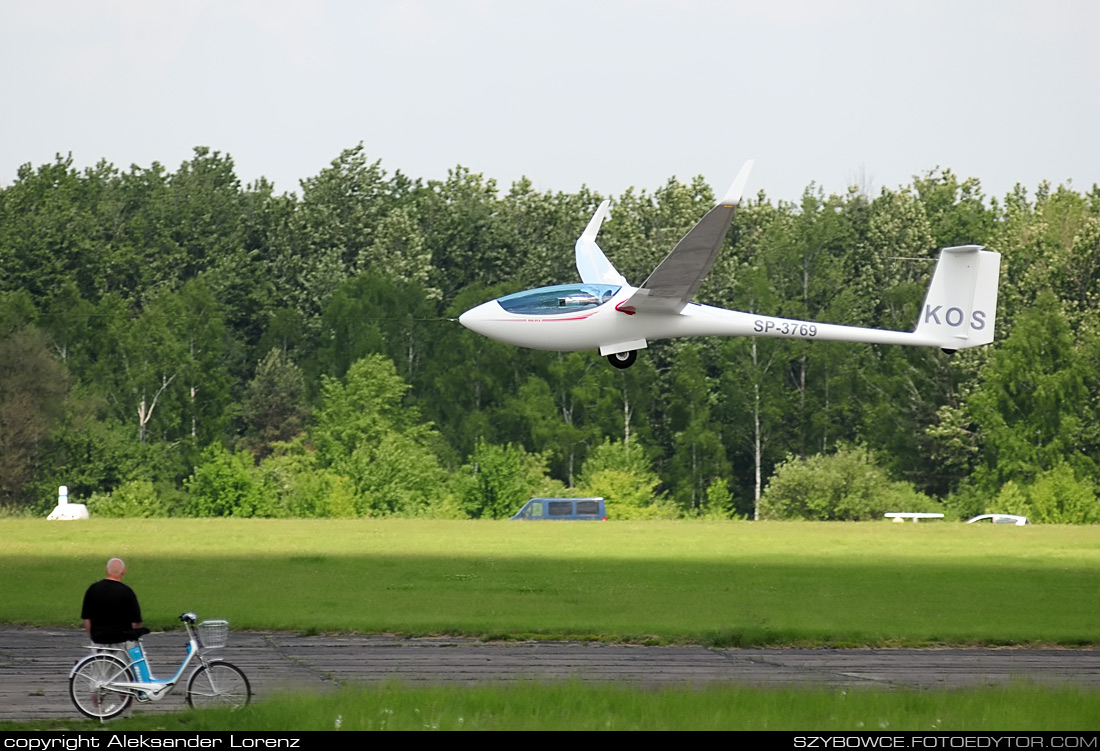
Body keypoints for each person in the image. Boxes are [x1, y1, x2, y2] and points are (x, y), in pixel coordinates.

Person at [81, 557, 147, 644]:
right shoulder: (127, 591)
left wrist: (93, 637)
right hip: (122, 637)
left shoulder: (93, 589)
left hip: (98, 637)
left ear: (106, 570)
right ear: (124, 571)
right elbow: (136, 621)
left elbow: (86, 617)